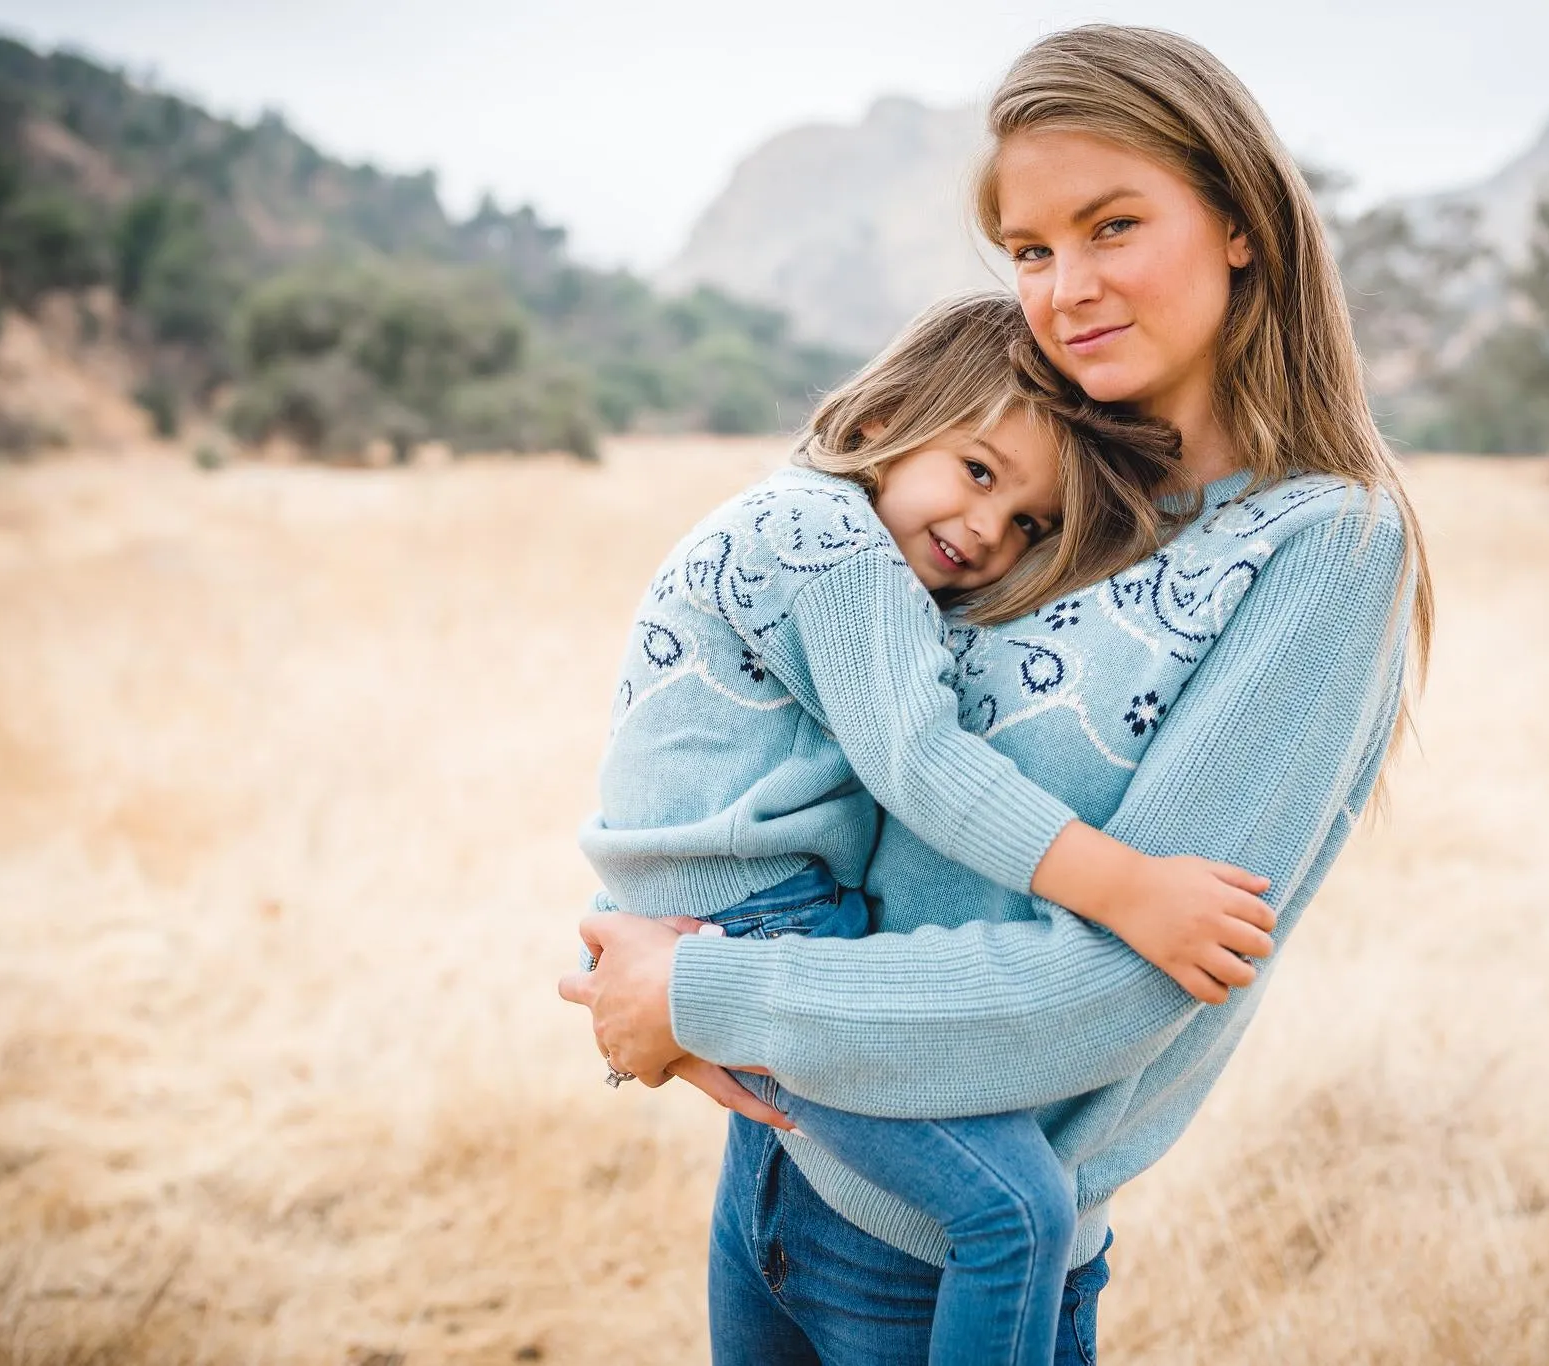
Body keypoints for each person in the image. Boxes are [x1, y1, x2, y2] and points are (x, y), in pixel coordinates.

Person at [560, 23, 1437, 1364]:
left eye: (1113, 224)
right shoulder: (1060, 482)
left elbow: (1113, 983)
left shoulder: (1321, 546)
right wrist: (667, 937)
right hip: (779, 1169)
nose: (1065, 286)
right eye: (1031, 250)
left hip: (944, 1258)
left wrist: (704, 993)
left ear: (1241, 221)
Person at [577, 289, 1279, 1366]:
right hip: (760, 926)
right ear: (879, 422)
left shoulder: (782, 519)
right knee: (1017, 1212)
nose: (984, 532)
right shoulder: (829, 539)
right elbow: (924, 768)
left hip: (708, 913)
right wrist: (1129, 889)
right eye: (979, 473)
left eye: (1026, 525)